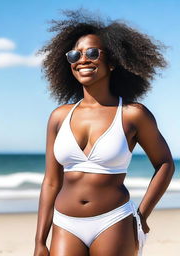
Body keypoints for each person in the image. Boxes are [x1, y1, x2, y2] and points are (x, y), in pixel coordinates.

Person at [33, 9, 175, 256]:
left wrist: (142, 215)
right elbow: (51, 181)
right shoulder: (58, 117)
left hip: (113, 221)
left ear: (112, 62)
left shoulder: (133, 114)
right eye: (75, 54)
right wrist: (39, 241)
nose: (82, 59)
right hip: (65, 223)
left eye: (92, 52)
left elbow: (164, 163)